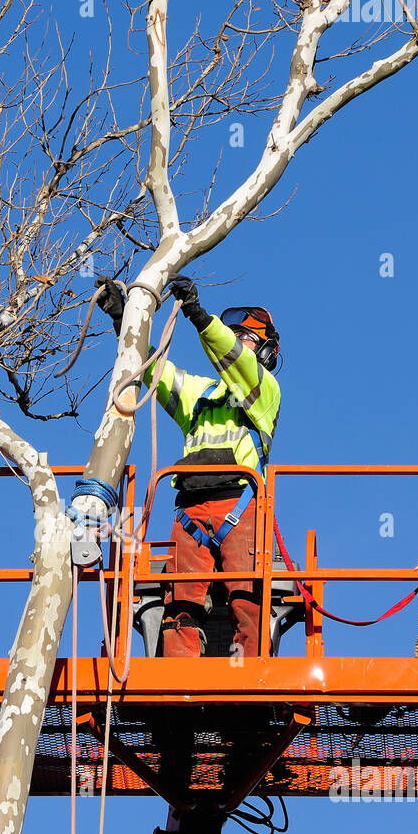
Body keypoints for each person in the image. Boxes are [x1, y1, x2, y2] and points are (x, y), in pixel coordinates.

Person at [96, 274, 281, 658]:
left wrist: (199, 315)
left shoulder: (265, 393)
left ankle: (248, 670)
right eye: (236, 335)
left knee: (246, 597)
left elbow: (234, 358)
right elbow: (153, 371)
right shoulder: (201, 393)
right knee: (181, 601)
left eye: (245, 338)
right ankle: (179, 677)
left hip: (240, 506)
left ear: (265, 353)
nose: (237, 344)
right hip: (191, 510)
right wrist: (122, 322)